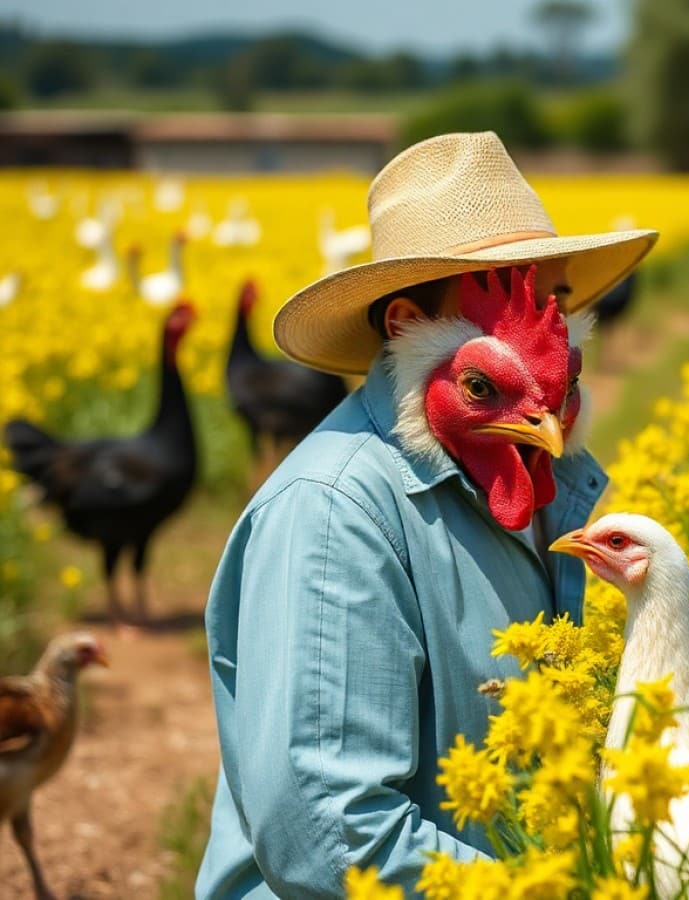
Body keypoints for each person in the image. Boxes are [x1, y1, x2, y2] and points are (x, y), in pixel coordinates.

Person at [196, 132, 657, 898]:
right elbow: (331, 837)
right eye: (505, 296)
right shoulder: (335, 517)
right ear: (407, 324)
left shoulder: (533, 471)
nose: (552, 327)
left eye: (555, 297)